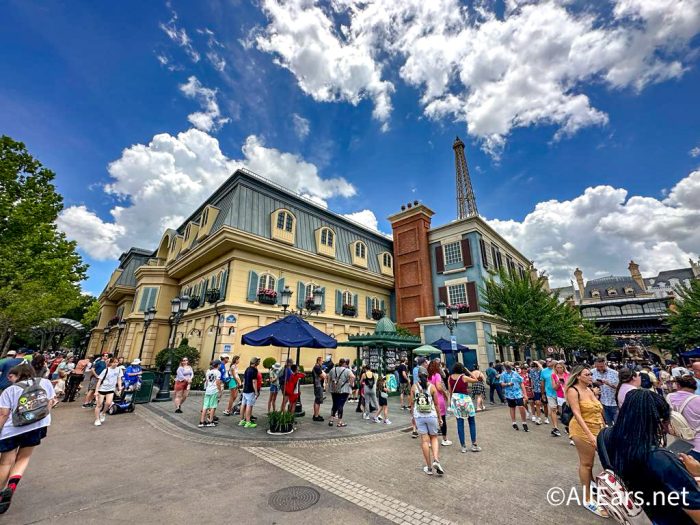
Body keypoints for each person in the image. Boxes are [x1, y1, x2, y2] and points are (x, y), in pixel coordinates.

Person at [601, 389, 700, 524]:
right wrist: (697, 474)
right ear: (658, 422)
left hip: (642, 510)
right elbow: (695, 509)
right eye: (666, 422)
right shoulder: (659, 458)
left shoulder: (605, 435)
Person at [0, 363, 57, 514]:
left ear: (18, 375)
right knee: (23, 458)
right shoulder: (45, 383)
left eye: (11, 376)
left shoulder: (10, 390)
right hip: (36, 426)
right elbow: (50, 403)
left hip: (12, 429)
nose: (10, 379)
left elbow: (4, 414)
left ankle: (0, 492)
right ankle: (11, 486)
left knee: (6, 462)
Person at [566, 366, 606, 517]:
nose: (590, 376)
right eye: (587, 374)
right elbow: (577, 414)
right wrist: (589, 434)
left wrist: (604, 427)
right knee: (587, 463)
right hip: (582, 430)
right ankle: (587, 498)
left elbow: (598, 410)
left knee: (596, 461)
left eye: (591, 374)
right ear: (578, 376)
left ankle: (593, 485)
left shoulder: (590, 390)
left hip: (597, 428)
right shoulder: (573, 391)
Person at [410, 366, 444, 476]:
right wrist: (439, 417)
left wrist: (413, 417)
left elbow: (412, 404)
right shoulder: (432, 387)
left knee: (424, 441)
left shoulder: (414, 387)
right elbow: (436, 404)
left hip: (419, 416)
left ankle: (429, 468)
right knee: (434, 437)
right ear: (427, 375)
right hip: (431, 415)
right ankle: (436, 460)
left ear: (418, 376)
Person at [448, 363, 480, 453]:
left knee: (460, 423)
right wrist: (468, 371)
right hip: (466, 401)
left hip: (456, 401)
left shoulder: (450, 377)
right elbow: (475, 379)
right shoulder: (464, 377)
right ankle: (474, 444)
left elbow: (450, 391)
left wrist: (450, 403)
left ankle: (463, 446)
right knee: (471, 422)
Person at [667, 374, 700, 462]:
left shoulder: (669, 397)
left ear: (678, 385)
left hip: (681, 443)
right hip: (697, 444)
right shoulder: (697, 400)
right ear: (695, 387)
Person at [427, 359, 451, 445]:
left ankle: (430, 440)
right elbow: (439, 387)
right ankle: (444, 439)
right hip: (438, 398)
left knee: (430, 419)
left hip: (429, 399)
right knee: (442, 419)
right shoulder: (437, 375)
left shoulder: (427, 376)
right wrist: (445, 393)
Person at [93, 358, 123, 427]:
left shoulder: (119, 370)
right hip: (102, 389)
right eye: (114, 362)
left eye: (117, 362)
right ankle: (97, 419)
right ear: (111, 363)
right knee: (99, 405)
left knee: (108, 403)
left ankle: (103, 413)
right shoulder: (106, 370)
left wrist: (120, 387)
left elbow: (119, 379)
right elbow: (99, 381)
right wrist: (96, 391)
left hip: (111, 389)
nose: (115, 364)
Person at [500, 362, 529, 431]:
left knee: (521, 406)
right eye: (507, 368)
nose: (508, 369)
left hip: (518, 393)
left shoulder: (515, 373)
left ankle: (524, 422)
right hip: (509, 394)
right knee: (512, 407)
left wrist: (525, 394)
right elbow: (501, 384)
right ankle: (514, 422)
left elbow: (521, 383)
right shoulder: (503, 374)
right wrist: (508, 384)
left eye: (509, 368)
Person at [591, 357, 619, 425]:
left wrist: (609, 383)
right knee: (608, 423)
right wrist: (595, 383)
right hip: (601, 402)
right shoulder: (592, 372)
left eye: (602, 366)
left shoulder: (615, 373)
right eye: (597, 366)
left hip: (614, 403)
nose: (600, 368)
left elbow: (619, 387)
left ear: (606, 364)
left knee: (617, 423)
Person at [328, 358, 354, 428]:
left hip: (334, 390)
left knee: (334, 404)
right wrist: (351, 384)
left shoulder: (333, 369)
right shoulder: (347, 370)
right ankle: (339, 422)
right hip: (343, 390)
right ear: (344, 363)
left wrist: (330, 385)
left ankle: (331, 420)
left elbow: (329, 377)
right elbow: (352, 376)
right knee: (340, 405)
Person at [199, 360, 222, 428]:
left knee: (205, 406)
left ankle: (202, 421)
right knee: (213, 406)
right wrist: (220, 390)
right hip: (214, 390)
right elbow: (217, 382)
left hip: (208, 390)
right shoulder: (218, 372)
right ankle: (210, 421)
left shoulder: (208, 372)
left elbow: (206, 381)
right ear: (218, 365)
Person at [239, 357, 260, 429]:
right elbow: (254, 381)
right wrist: (256, 392)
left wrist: (243, 389)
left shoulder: (247, 369)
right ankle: (248, 422)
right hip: (250, 390)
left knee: (243, 404)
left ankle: (242, 420)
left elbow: (244, 380)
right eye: (258, 362)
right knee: (249, 405)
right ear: (255, 363)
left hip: (245, 390)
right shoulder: (254, 370)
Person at [312, 356, 326, 422]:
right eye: (321, 361)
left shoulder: (317, 367)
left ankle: (316, 414)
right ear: (318, 361)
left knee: (317, 400)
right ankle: (316, 416)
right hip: (318, 385)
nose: (322, 363)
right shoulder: (317, 367)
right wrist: (324, 376)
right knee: (318, 400)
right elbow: (323, 376)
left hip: (318, 385)